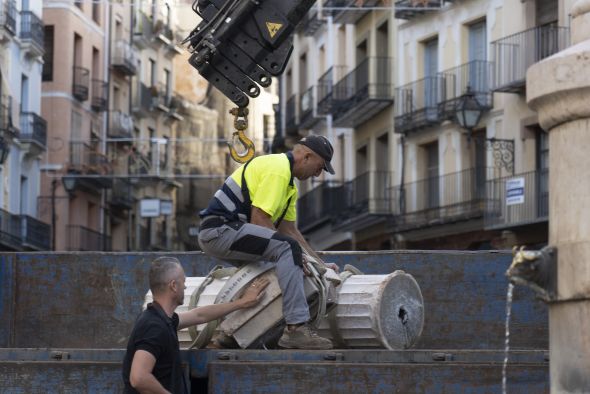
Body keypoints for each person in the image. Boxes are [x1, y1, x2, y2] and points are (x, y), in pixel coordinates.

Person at [198, 135, 338, 350]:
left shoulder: (290, 186)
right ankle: (296, 329)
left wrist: (318, 263)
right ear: (307, 156)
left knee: (282, 268)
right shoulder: (278, 169)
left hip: (232, 233)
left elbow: (290, 231)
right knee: (288, 252)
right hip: (219, 232)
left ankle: (228, 336)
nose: (317, 174)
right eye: (319, 167)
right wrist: (299, 257)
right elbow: (260, 220)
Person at [122, 256, 269, 393]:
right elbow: (138, 378)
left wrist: (241, 303)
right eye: (183, 282)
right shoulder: (154, 326)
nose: (185, 288)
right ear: (173, 286)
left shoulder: (163, 320)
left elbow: (199, 315)